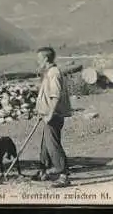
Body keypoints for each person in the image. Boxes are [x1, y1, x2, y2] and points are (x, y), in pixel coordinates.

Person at [31, 46, 72, 187]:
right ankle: (44, 171)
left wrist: (49, 114)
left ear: (46, 59)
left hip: (53, 115)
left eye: (39, 59)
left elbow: (56, 96)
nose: (38, 62)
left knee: (52, 145)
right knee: (45, 145)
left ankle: (63, 174)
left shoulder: (54, 73)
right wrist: (42, 112)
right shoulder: (48, 72)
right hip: (48, 114)